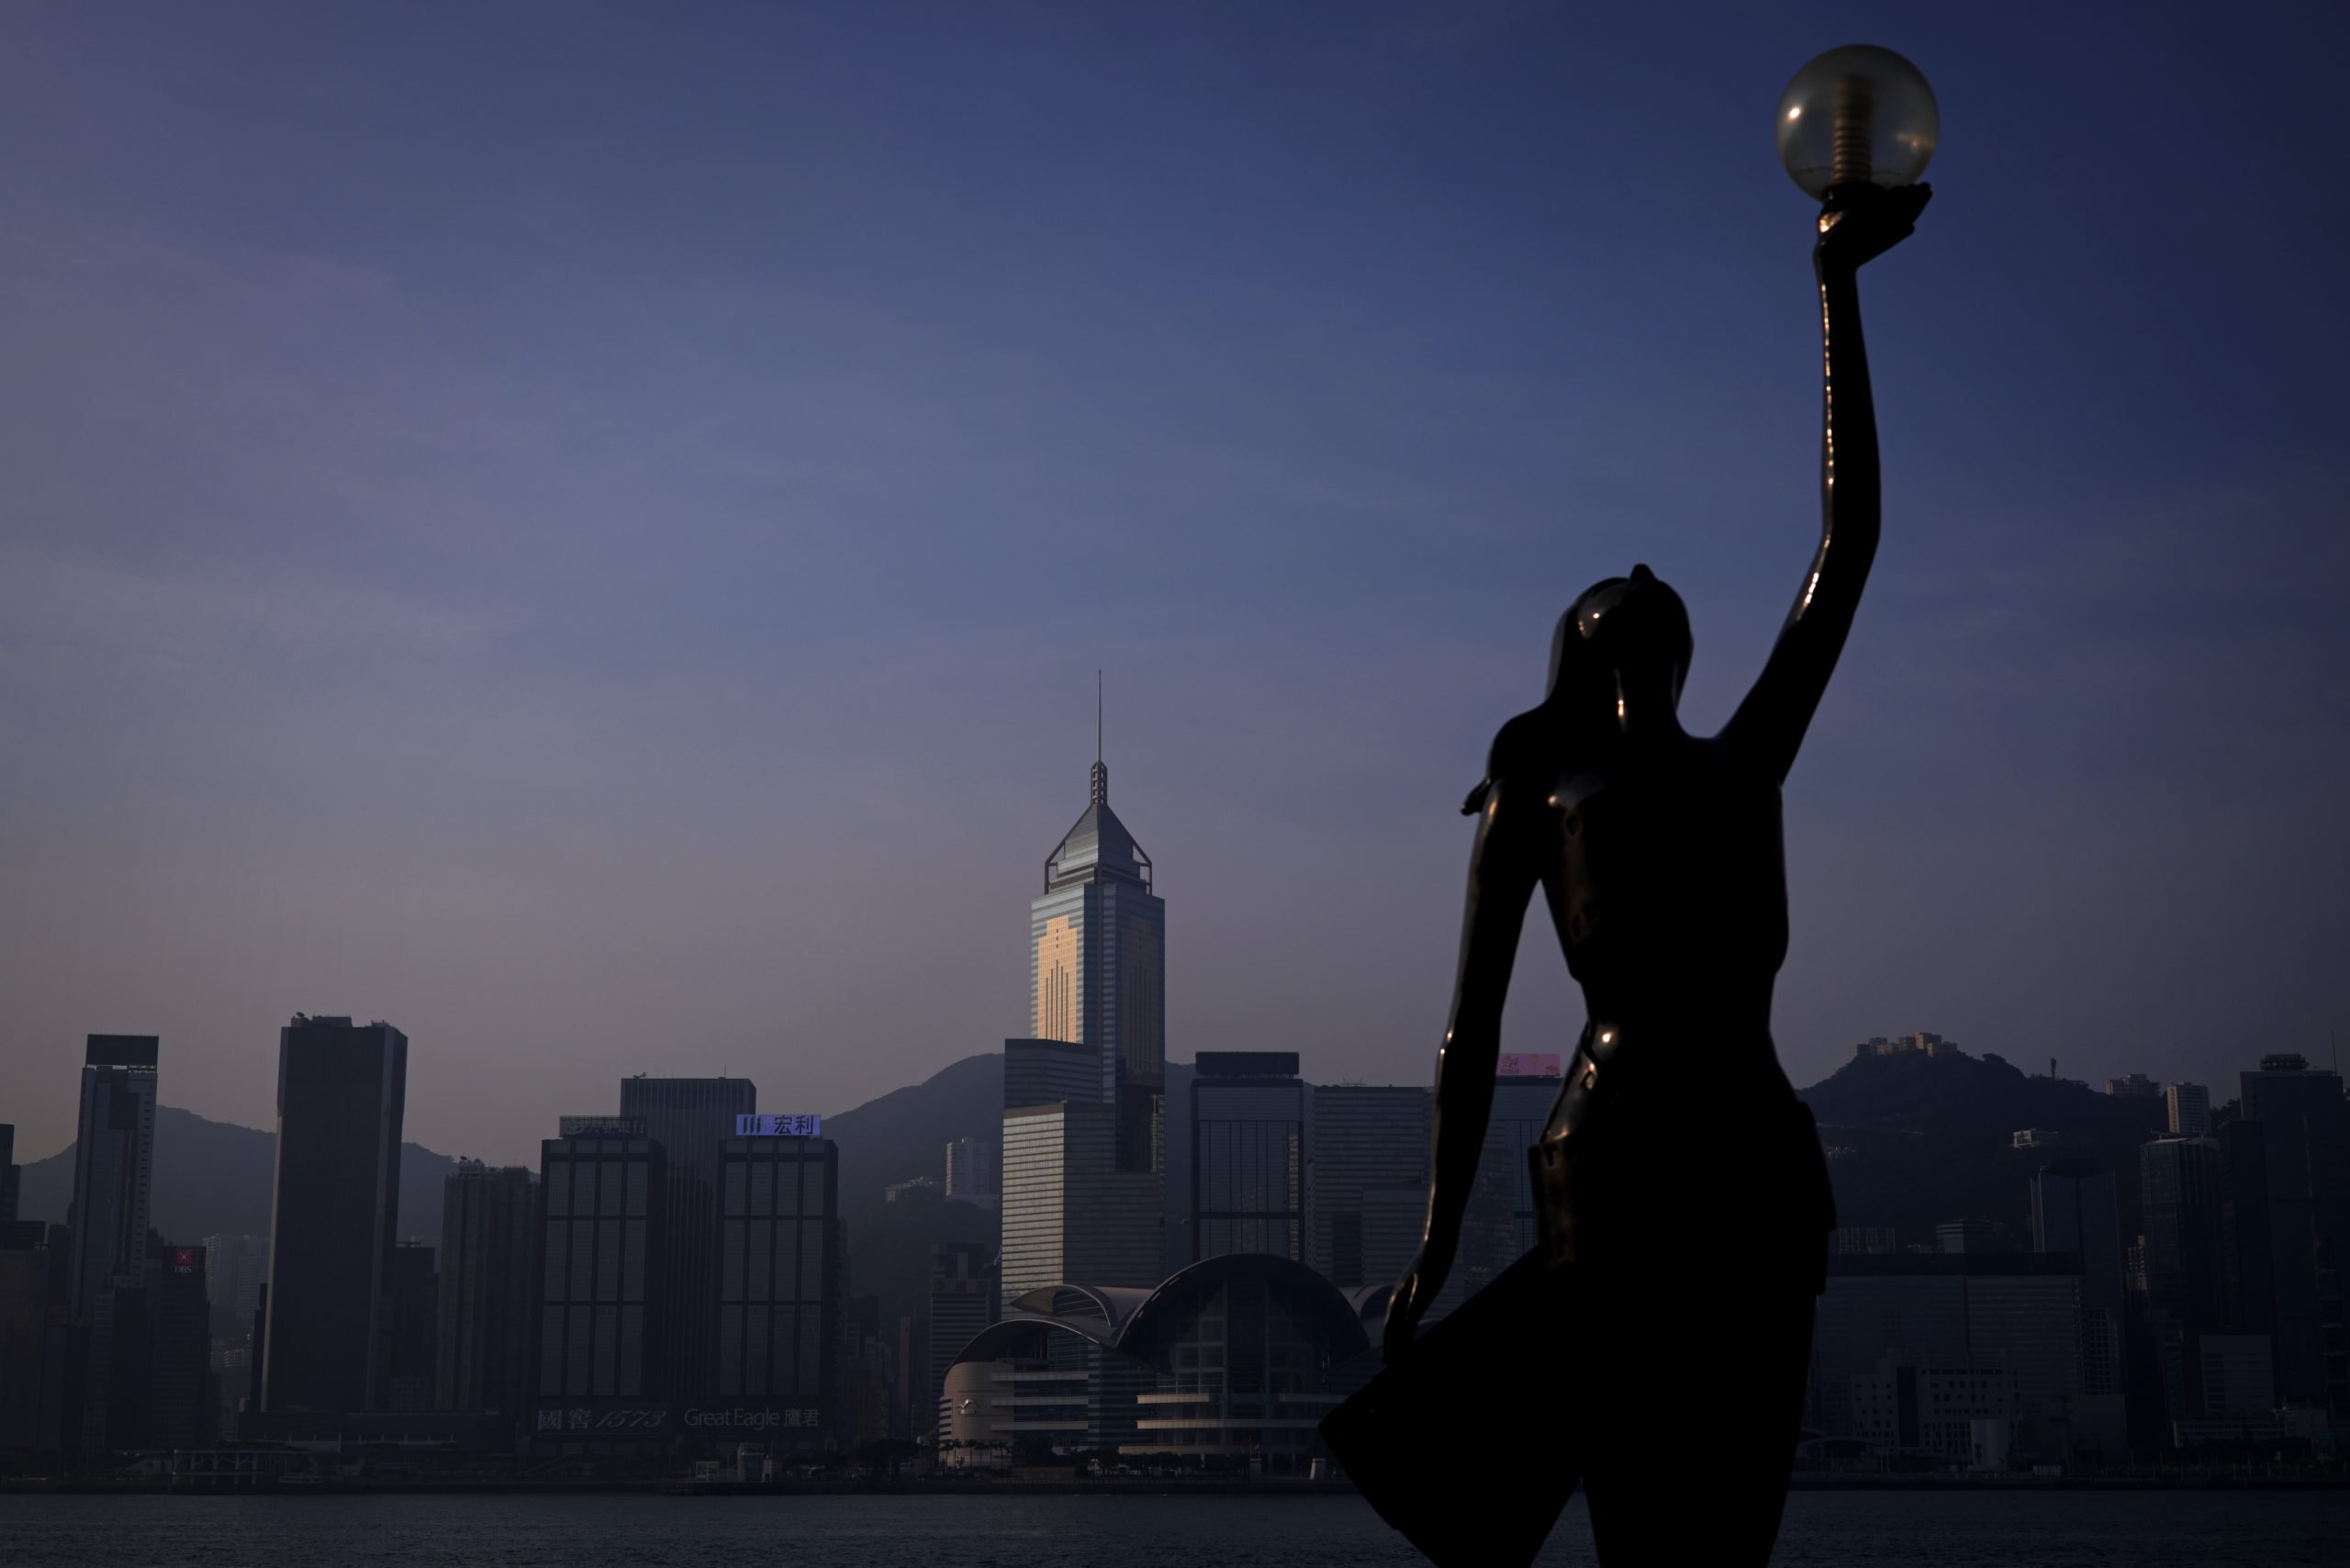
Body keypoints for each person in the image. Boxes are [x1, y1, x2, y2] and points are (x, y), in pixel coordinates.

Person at [1376, 178, 1930, 1565]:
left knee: (1734, 1510)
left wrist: (1834, 286)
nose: (1639, 577)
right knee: (1638, 1511)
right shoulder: (1538, 792)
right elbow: (1471, 1029)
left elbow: (1846, 546)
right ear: (1588, 648)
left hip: (1753, 1150)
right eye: (1612, 597)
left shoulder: (1747, 765)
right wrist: (1440, 1235)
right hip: (1611, 1161)